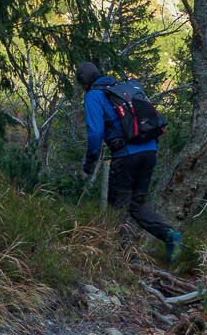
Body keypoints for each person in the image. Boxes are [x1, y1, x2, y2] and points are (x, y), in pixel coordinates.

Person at [76, 61, 181, 260]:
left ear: (84, 83)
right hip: (149, 151)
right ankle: (169, 234)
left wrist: (90, 161)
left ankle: (125, 257)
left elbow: (96, 132)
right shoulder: (124, 89)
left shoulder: (93, 96)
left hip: (126, 155)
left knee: (119, 205)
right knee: (137, 203)